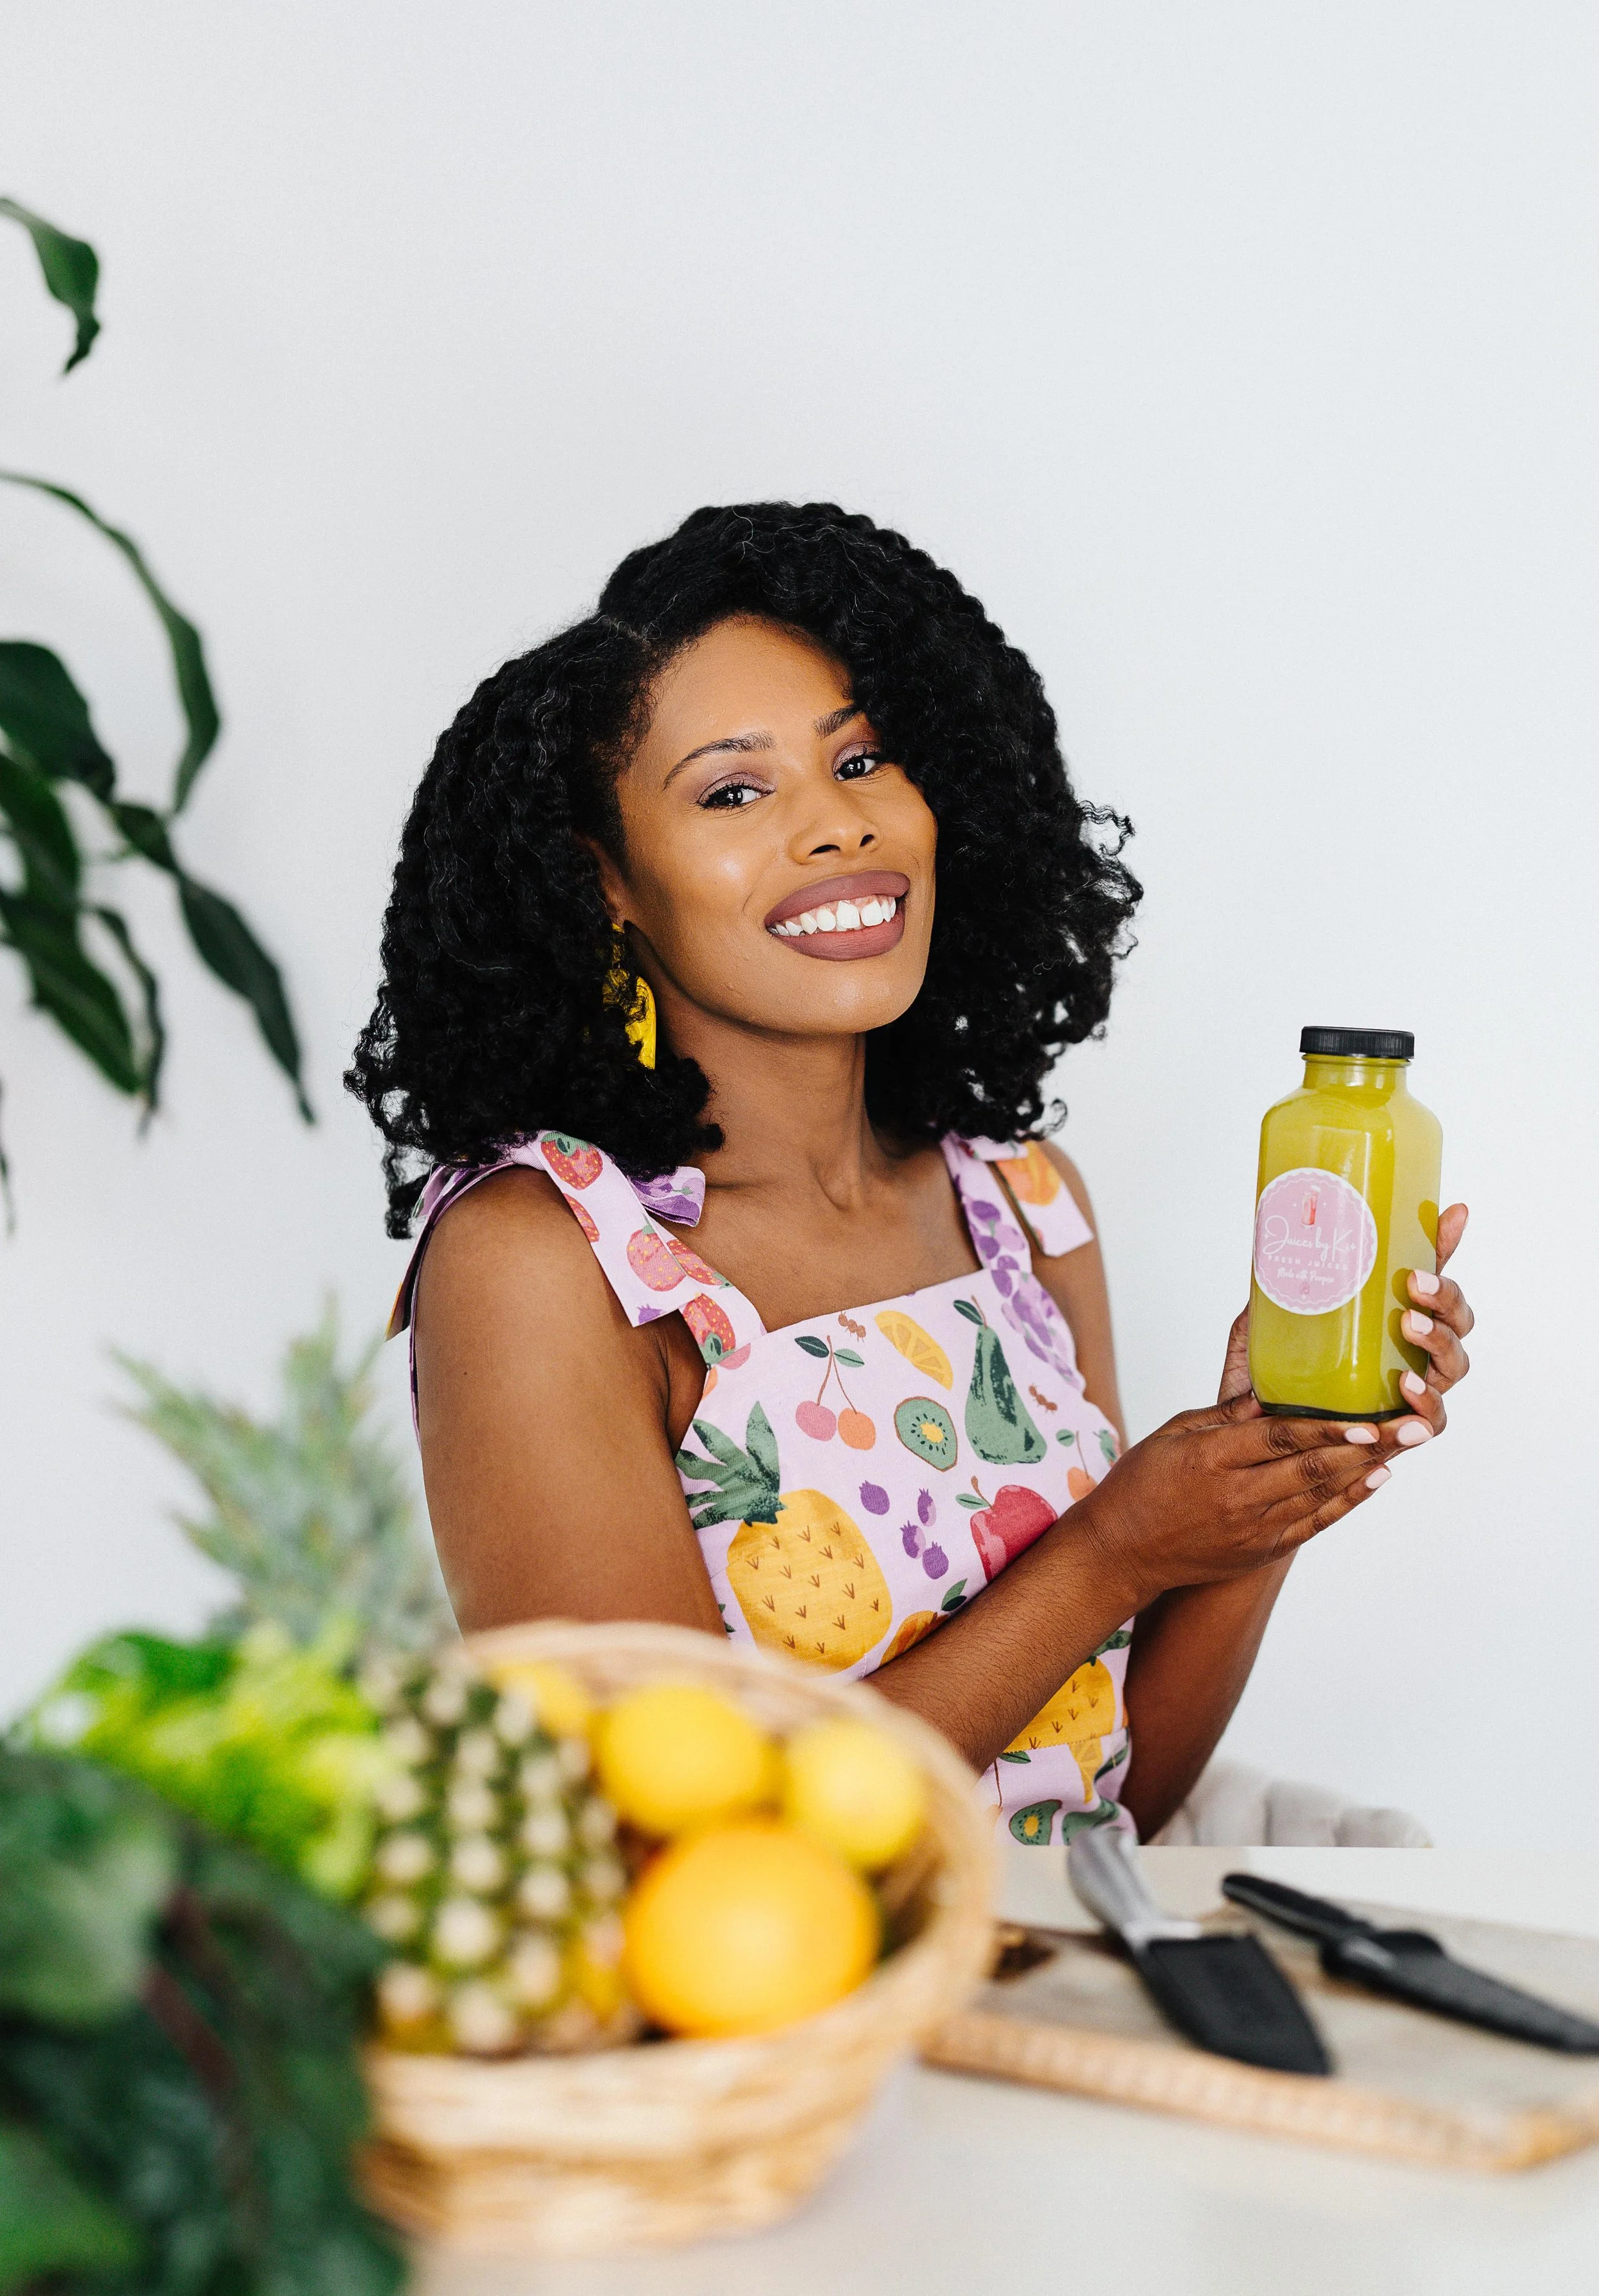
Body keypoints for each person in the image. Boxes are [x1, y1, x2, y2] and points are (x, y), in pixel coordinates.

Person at [349, 503, 1473, 1846]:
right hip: (792, 2035)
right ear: (604, 885)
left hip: (1065, 1993)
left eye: (862, 758)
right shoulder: (549, 1260)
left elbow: (1106, 1803)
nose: (836, 829)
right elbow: (671, 1851)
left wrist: (1269, 1478)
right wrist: (1114, 1549)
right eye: (732, 789)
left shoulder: (1021, 1200)